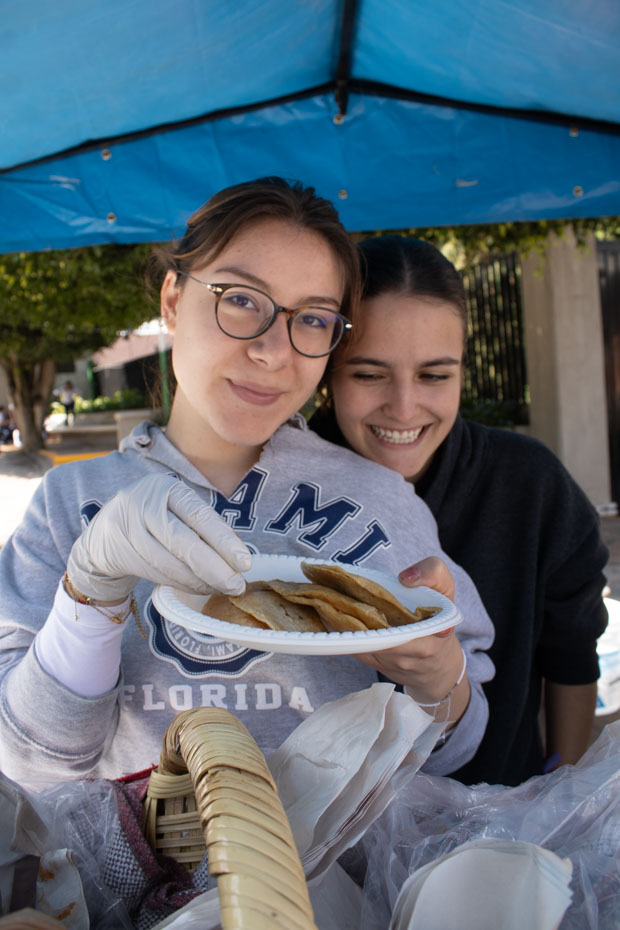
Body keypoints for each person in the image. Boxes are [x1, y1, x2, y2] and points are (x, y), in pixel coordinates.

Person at [0, 179, 494, 789]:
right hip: (126, 876)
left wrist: (438, 680)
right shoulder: (65, 503)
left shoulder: (382, 500)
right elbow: (28, 763)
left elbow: (453, 751)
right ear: (174, 300)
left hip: (323, 882)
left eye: (311, 318)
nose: (272, 350)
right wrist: (90, 598)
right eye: (240, 298)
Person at [310, 234, 609, 786]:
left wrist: (556, 789)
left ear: (464, 369)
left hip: (498, 827)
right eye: (368, 374)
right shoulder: (281, 480)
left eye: (434, 375)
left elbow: (572, 650)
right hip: (319, 839)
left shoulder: (531, 483)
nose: (403, 408)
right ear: (328, 372)